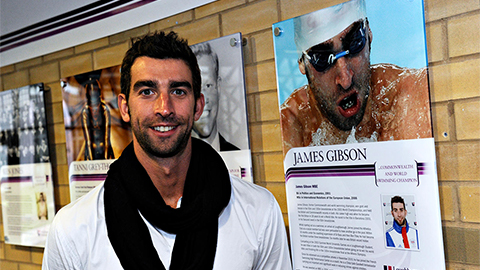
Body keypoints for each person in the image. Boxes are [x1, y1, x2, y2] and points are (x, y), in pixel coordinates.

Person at [42, 31, 291, 270]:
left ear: (198, 106)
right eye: (147, 91)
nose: (164, 108)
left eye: (178, 91)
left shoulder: (258, 211)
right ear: (125, 108)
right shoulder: (72, 229)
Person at [280, 0, 431, 154]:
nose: (346, 80)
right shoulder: (293, 125)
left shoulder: (410, 98)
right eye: (323, 59)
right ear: (302, 63)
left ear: (369, 34)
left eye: (355, 43)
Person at [191, 42, 240, 151]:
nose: (204, 100)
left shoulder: (236, 153)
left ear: (218, 87)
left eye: (208, 86)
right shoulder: (171, 164)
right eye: (196, 89)